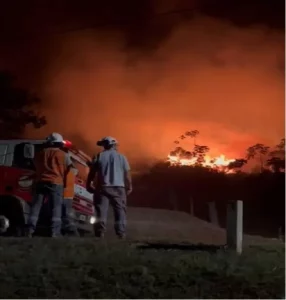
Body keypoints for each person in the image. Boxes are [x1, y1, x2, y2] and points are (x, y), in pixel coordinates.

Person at [26, 132, 73, 237]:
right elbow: (69, 168)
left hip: (40, 182)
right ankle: (55, 232)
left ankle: (29, 230)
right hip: (56, 183)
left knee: (36, 207)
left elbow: (34, 166)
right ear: (59, 143)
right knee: (56, 207)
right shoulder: (64, 155)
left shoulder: (40, 153)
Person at [86, 136, 132, 239]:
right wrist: (129, 186)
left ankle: (100, 233)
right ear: (114, 145)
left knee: (101, 211)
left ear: (105, 145)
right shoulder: (122, 157)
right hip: (119, 188)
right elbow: (127, 173)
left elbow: (92, 172)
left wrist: (88, 183)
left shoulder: (99, 156)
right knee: (120, 211)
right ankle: (121, 234)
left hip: (103, 187)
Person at [62, 165, 79, 236]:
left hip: (64, 195)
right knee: (67, 215)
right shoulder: (73, 172)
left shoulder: (65, 172)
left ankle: (73, 231)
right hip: (69, 196)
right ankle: (69, 231)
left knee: (65, 215)